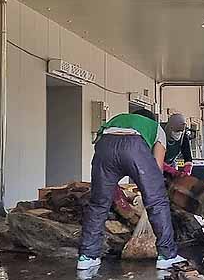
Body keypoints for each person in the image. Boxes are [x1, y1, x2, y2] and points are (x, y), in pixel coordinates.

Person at [77, 108, 187, 271]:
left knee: (98, 204)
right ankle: (167, 255)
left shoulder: (117, 118)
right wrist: (146, 182)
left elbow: (98, 147)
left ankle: (87, 257)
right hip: (134, 148)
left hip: (105, 148)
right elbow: (156, 169)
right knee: (157, 201)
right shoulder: (156, 128)